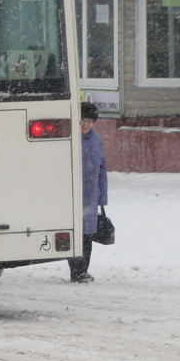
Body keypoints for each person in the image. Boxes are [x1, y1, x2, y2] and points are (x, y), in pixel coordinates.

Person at [70, 101, 108, 283]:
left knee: (87, 235)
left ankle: (81, 271)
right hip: (70, 196)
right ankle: (76, 270)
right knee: (72, 235)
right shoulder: (69, 138)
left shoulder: (96, 140)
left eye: (89, 121)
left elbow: (102, 169)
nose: (85, 124)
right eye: (82, 120)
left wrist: (102, 197)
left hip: (90, 197)